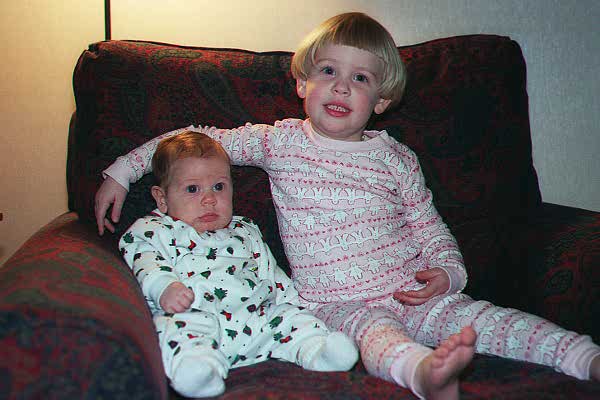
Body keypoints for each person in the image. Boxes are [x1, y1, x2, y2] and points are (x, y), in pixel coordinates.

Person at [98, 12, 600, 400]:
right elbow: (195, 140)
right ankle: (427, 375)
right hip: (337, 304)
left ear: (380, 100)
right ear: (302, 83)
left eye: (361, 78)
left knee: (492, 321)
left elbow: (430, 228)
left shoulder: (396, 157)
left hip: (413, 289)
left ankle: (585, 357)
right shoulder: (279, 142)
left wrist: (449, 274)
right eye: (328, 71)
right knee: (377, 338)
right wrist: (123, 171)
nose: (341, 86)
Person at [119, 132, 359, 398]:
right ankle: (198, 370)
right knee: (173, 329)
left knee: (289, 319)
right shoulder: (154, 229)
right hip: (196, 315)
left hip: (256, 319)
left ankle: (317, 351)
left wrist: (293, 303)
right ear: (162, 198)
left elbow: (271, 273)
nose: (209, 199)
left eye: (219, 187)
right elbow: (146, 261)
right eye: (192, 189)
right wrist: (165, 287)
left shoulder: (245, 229)